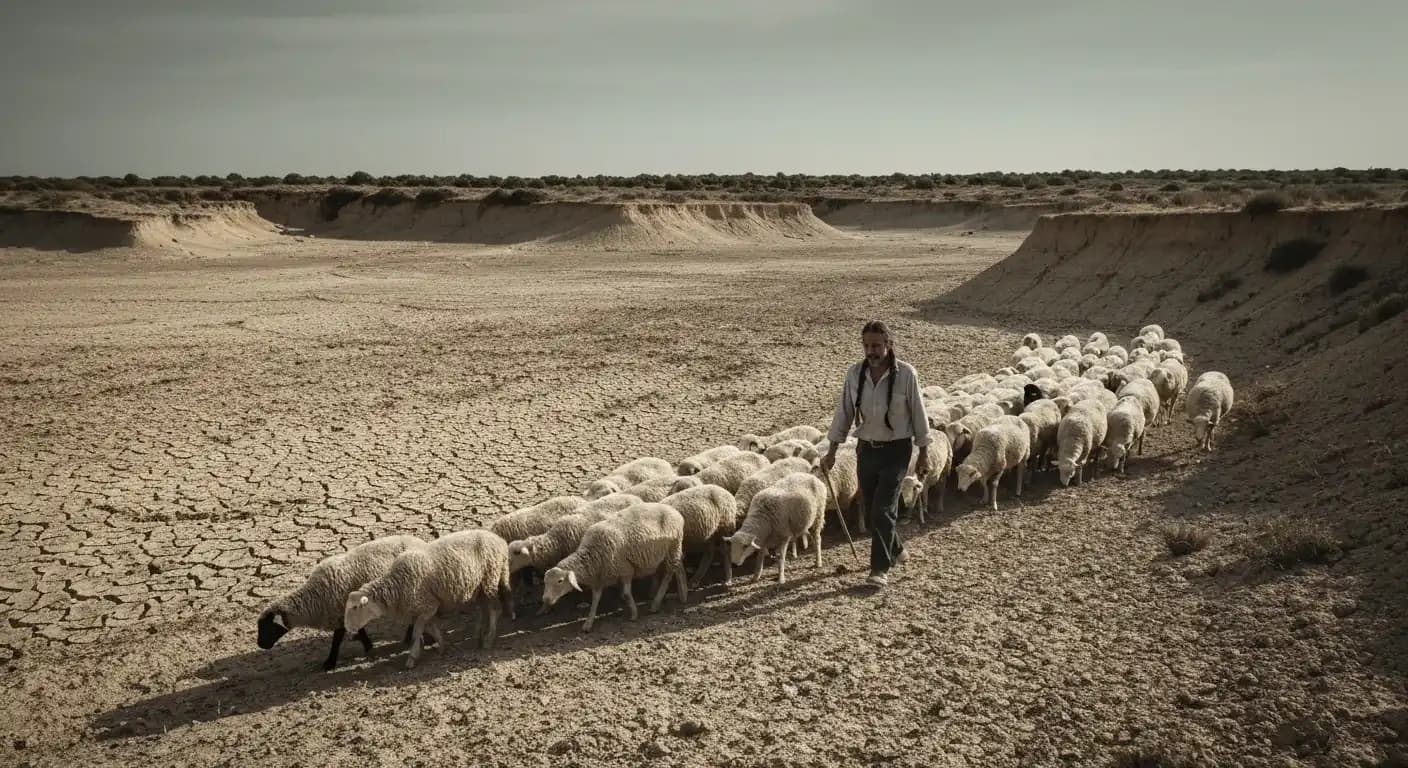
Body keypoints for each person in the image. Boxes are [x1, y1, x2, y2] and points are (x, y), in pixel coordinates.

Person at [819, 320, 931, 588]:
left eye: (877, 345)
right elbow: (844, 413)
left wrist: (924, 452)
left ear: (889, 345)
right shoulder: (855, 374)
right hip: (867, 449)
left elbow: (918, 414)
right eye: (867, 345)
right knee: (871, 508)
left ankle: (879, 570)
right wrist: (831, 451)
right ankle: (897, 548)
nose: (871, 351)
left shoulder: (906, 374)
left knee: (883, 508)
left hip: (897, 449)